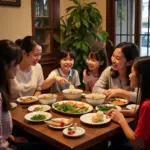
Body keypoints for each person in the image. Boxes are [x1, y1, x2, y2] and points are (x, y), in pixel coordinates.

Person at [107, 56, 150, 150]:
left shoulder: (147, 105)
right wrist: (123, 112)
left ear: (141, 76)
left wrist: (121, 120)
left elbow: (137, 143)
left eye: (132, 72)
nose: (129, 75)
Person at [0, 40, 22, 150]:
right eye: (15, 64)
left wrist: (10, 137)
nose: (18, 68)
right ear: (4, 65)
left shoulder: (3, 86)